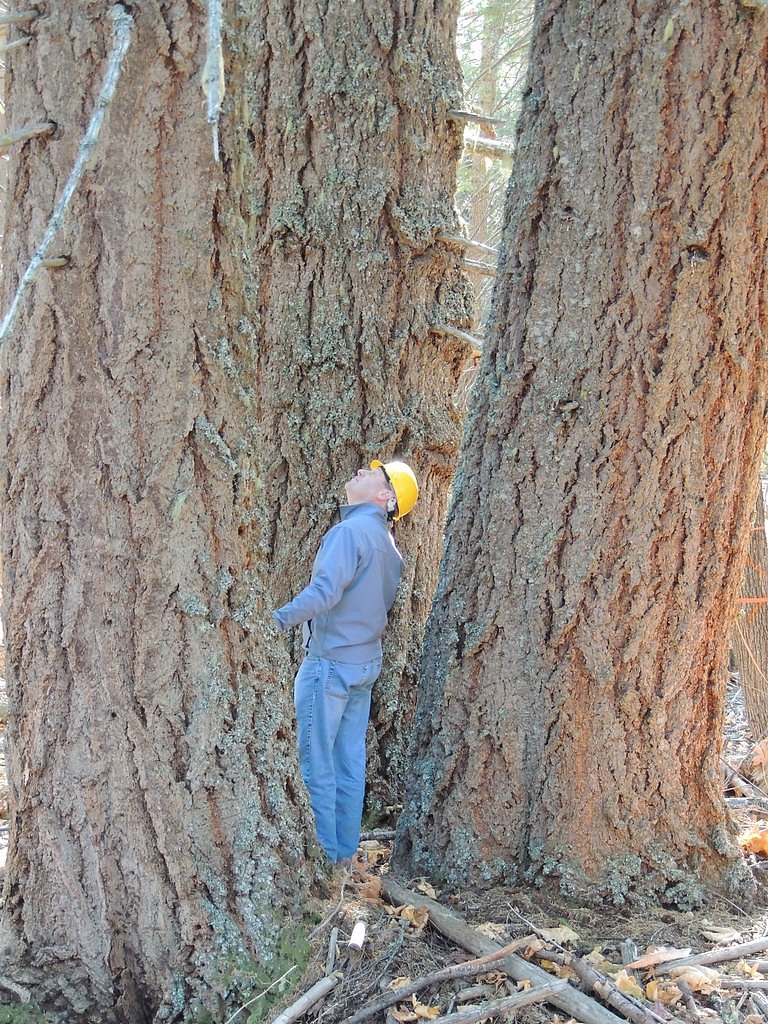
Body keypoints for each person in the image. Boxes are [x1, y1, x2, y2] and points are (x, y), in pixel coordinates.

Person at [273, 459, 419, 864]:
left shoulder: (349, 532)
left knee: (316, 762)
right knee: (349, 762)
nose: (362, 471)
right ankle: (342, 858)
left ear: (385, 495)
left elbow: (324, 593)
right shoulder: (388, 546)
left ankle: (324, 859)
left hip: (331, 665)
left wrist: (275, 620)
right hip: (364, 665)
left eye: (375, 473)